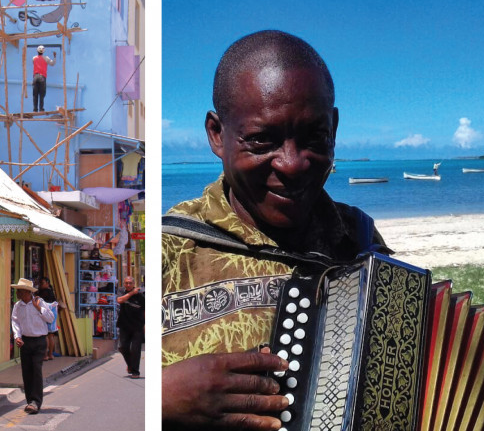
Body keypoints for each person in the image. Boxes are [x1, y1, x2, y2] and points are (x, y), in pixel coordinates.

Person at [161, 30, 388, 430]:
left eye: (314, 137)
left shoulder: (360, 240)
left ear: (333, 127)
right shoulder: (169, 249)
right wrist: (162, 399)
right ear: (217, 134)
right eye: (262, 141)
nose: (292, 164)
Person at [11, 277, 54, 415]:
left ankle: (35, 401)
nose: (18, 294)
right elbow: (15, 322)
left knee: (36, 370)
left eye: (20, 291)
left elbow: (50, 318)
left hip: (39, 341)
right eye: (17, 291)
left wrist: (39, 308)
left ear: (27, 292)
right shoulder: (18, 306)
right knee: (27, 371)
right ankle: (30, 400)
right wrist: (17, 336)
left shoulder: (39, 302)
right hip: (26, 341)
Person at [115, 276, 144, 379]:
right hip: (124, 325)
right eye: (126, 283)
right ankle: (131, 365)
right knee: (122, 347)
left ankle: (135, 372)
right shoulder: (121, 291)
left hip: (137, 326)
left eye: (130, 283)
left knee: (135, 349)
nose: (128, 285)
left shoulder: (141, 295)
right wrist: (132, 293)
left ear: (133, 284)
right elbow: (119, 300)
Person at [34, 277, 63, 361]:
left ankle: (45, 355)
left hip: (47, 315)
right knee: (51, 336)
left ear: (47, 283)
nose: (40, 285)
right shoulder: (50, 292)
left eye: (42, 283)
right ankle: (50, 354)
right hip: (53, 315)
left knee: (46, 336)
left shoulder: (44, 293)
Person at [32, 45, 56, 112]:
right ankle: (41, 108)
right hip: (42, 77)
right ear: (43, 51)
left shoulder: (34, 58)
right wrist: (54, 57)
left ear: (37, 51)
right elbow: (52, 63)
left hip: (35, 77)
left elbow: (34, 63)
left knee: (35, 94)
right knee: (42, 94)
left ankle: (35, 109)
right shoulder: (46, 58)